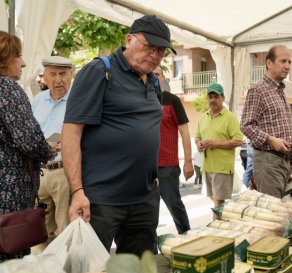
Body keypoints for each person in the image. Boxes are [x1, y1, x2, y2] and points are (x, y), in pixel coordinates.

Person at [61, 15, 176, 256]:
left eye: (161, 51)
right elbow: (71, 132)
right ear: (128, 39)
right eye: (148, 47)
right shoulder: (100, 70)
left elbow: (146, 129)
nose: (154, 55)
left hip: (143, 199)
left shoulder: (154, 82)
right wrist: (77, 192)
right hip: (101, 201)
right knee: (90, 269)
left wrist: (152, 173)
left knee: (137, 268)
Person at [0, 31, 54, 262]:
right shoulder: (7, 88)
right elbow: (29, 140)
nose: (22, 63)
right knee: (11, 258)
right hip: (8, 193)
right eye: (17, 56)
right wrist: (49, 149)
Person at [241, 45, 292, 199]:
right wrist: (271, 140)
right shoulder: (258, 90)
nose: (287, 66)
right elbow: (246, 125)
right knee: (272, 211)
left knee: (282, 211)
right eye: (283, 61)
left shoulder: (279, 91)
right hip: (268, 161)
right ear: (269, 63)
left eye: (289, 62)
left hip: (283, 161)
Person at [31, 56, 73, 253]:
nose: (58, 79)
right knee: (38, 232)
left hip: (64, 172)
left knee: (67, 230)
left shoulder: (78, 101)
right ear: (45, 76)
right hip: (39, 173)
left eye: (63, 74)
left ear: (71, 75)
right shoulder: (37, 101)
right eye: (53, 74)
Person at [154, 66, 194, 234]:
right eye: (150, 74)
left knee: (174, 205)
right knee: (147, 213)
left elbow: (184, 132)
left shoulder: (172, 101)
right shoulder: (139, 100)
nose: (153, 77)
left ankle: (187, 238)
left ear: (163, 78)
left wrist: (188, 162)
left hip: (167, 166)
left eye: (157, 74)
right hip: (144, 167)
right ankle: (151, 251)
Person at [195, 83, 243, 217]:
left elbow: (238, 141)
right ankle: (228, 219)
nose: (213, 100)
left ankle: (217, 228)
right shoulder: (204, 117)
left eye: (216, 96)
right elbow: (197, 136)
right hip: (207, 166)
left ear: (223, 98)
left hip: (222, 167)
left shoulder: (230, 117)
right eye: (210, 97)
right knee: (214, 199)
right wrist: (198, 143)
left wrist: (216, 143)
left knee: (218, 203)